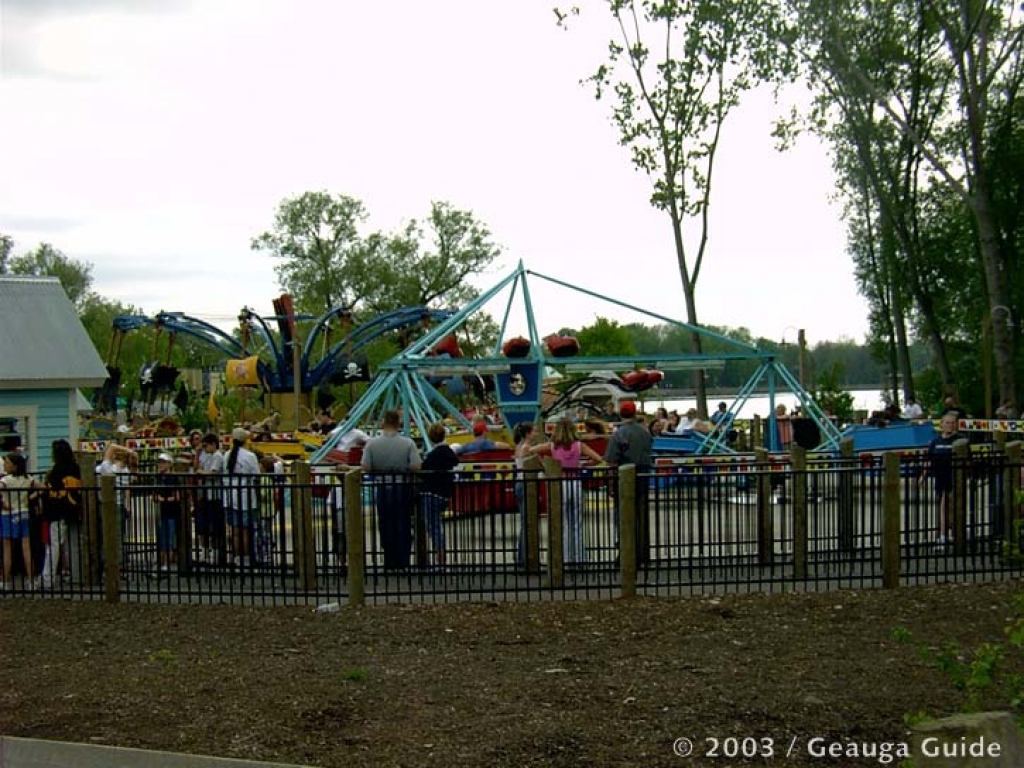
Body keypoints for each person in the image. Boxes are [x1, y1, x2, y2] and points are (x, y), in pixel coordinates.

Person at [530, 417, 603, 564]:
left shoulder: (552, 446)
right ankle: (579, 557)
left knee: (561, 522)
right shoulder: (579, 445)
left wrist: (544, 464)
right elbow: (598, 458)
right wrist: (586, 464)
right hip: (575, 482)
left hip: (560, 483)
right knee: (576, 522)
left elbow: (531, 450)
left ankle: (563, 557)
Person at [361, 409, 422, 571]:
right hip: (402, 486)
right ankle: (403, 560)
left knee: (385, 523)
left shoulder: (372, 444)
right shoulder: (408, 443)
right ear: (398, 423)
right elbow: (416, 466)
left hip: (382, 486)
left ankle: (389, 559)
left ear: (383, 423)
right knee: (403, 522)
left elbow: (365, 466)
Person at [603, 400, 653, 564]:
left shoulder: (619, 434)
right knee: (641, 516)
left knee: (624, 517)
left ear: (621, 414)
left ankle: (626, 553)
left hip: (624, 479)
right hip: (643, 477)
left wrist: (610, 484)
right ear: (634, 412)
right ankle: (642, 552)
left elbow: (611, 461)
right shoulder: (645, 433)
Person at [40, 439, 83, 586]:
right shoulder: (76, 468)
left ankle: (47, 578)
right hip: (74, 509)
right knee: (74, 544)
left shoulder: (56, 472)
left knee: (54, 545)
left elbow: (51, 492)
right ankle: (78, 575)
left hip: (57, 512)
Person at [419, 423, 460, 568]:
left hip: (432, 492)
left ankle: (441, 559)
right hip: (444, 493)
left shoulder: (434, 455)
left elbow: (423, 468)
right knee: (436, 525)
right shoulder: (449, 453)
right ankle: (441, 559)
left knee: (433, 527)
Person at [920, 412, 963, 546]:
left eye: (952, 423)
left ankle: (951, 533)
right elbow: (929, 460)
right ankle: (944, 534)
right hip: (940, 477)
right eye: (947, 423)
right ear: (942, 425)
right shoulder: (935, 442)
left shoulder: (960, 440)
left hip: (955, 477)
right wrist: (923, 476)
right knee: (944, 506)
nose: (950, 425)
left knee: (951, 506)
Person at [1, 452, 42, 589]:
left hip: (8, 514)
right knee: (26, 547)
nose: (5, 465)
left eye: (7, 463)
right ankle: (31, 580)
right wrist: (31, 497)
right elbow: (43, 488)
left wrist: (3, 503)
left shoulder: (6, 480)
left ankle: (5, 581)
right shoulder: (28, 479)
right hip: (23, 512)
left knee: (7, 548)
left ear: (14, 466)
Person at [224, 427, 260, 568]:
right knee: (245, 530)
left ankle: (237, 557)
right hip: (245, 497)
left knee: (235, 530)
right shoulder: (250, 456)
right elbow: (256, 476)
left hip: (230, 496)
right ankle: (245, 558)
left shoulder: (227, 455)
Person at [193, 432, 226, 565]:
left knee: (215, 527)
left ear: (213, 444)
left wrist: (201, 473)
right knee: (204, 525)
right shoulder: (207, 456)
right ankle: (205, 552)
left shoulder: (217, 456)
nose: (205, 448)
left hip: (215, 496)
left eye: (206, 446)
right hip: (206, 495)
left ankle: (216, 553)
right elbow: (197, 468)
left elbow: (213, 473)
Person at [513, 421, 538, 564]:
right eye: (534, 431)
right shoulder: (528, 447)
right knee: (527, 521)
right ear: (528, 434)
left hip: (519, 482)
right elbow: (538, 463)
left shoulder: (519, 446)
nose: (536, 434)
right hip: (525, 483)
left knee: (524, 520)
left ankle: (522, 556)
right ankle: (525, 557)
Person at [154, 452, 182, 572]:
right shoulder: (159, 478)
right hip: (162, 511)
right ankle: (162, 563)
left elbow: (177, 497)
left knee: (169, 539)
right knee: (162, 539)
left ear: (169, 464)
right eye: (159, 462)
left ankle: (167, 565)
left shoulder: (173, 478)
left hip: (172, 512)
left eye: (163, 462)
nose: (160, 464)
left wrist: (163, 499)